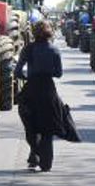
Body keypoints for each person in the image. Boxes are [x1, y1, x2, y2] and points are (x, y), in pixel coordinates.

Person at [15, 20, 64, 172]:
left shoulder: (28, 49)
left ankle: (35, 151)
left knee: (30, 125)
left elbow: (17, 71)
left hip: (31, 89)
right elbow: (59, 73)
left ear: (33, 33)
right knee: (48, 127)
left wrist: (26, 77)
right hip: (48, 90)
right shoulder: (55, 50)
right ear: (50, 33)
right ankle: (44, 160)